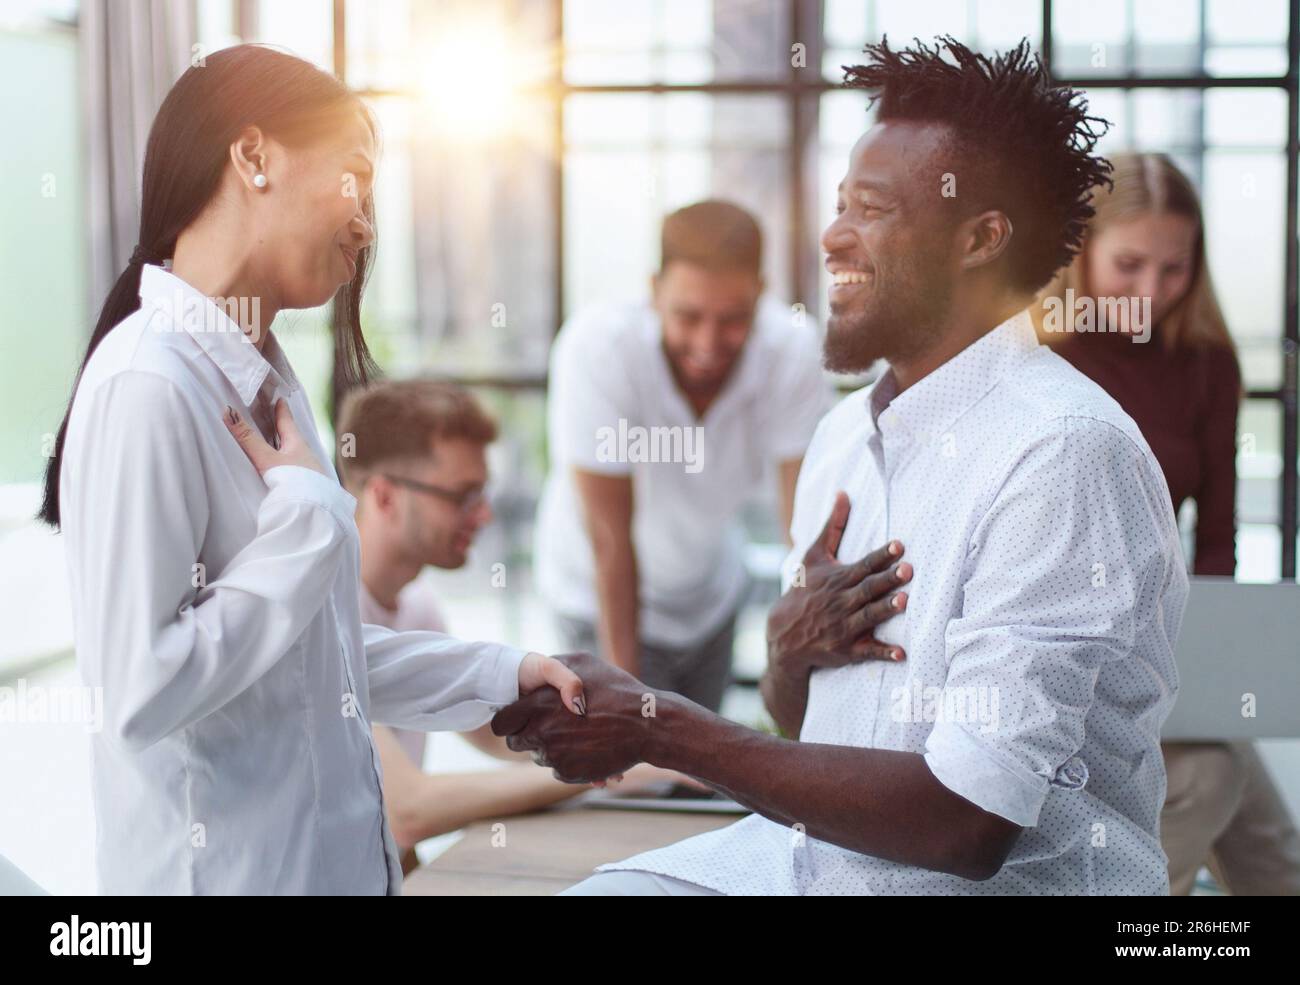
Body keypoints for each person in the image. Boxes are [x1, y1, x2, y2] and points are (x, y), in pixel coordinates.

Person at [495, 36, 1189, 895]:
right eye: (839, 203)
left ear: (980, 239)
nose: (832, 235)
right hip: (811, 862)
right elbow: (804, 724)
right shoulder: (843, 438)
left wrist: (660, 726)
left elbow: (969, 822)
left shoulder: (1062, 453)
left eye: (871, 207)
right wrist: (789, 651)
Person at [41, 44, 583, 895]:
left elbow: (309, 656)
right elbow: (141, 690)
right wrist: (309, 518)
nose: (367, 220)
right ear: (253, 156)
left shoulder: (262, 379)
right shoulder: (147, 381)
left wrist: (497, 674)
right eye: (354, 179)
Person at [1035, 152, 1300, 896]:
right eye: (1129, 264)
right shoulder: (1037, 355)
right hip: (1058, 651)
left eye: (1174, 268)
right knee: (1218, 782)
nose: (1151, 291)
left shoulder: (1207, 363)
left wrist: (1212, 659)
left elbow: (1217, 537)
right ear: (1077, 251)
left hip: (1165, 647)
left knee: (1273, 860)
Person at [336, 378, 692, 873]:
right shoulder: (328, 616)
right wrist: (631, 771)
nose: (482, 515)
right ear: (384, 496)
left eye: (482, 494)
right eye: (461, 496)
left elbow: (501, 735)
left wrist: (642, 743)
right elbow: (407, 810)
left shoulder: (416, 608)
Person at [534, 200, 832, 712]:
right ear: (655, 291)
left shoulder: (792, 351)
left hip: (708, 597)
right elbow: (611, 542)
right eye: (688, 316)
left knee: (699, 778)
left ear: (760, 293)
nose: (708, 343)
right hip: (595, 595)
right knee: (632, 771)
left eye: (734, 319)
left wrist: (810, 683)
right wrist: (624, 711)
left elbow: (802, 532)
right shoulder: (599, 349)